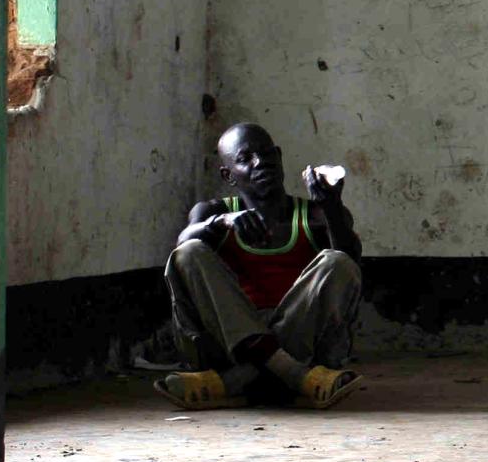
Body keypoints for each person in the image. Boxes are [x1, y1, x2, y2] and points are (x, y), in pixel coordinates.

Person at [154, 122, 366, 410]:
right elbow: (183, 243)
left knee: (338, 261)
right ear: (228, 175)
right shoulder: (213, 212)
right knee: (188, 251)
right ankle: (292, 375)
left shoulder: (315, 214)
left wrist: (331, 207)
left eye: (267, 154)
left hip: (301, 339)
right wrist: (222, 223)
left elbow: (352, 263)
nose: (261, 162)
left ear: (279, 157)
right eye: (245, 159)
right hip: (230, 344)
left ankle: (232, 383)